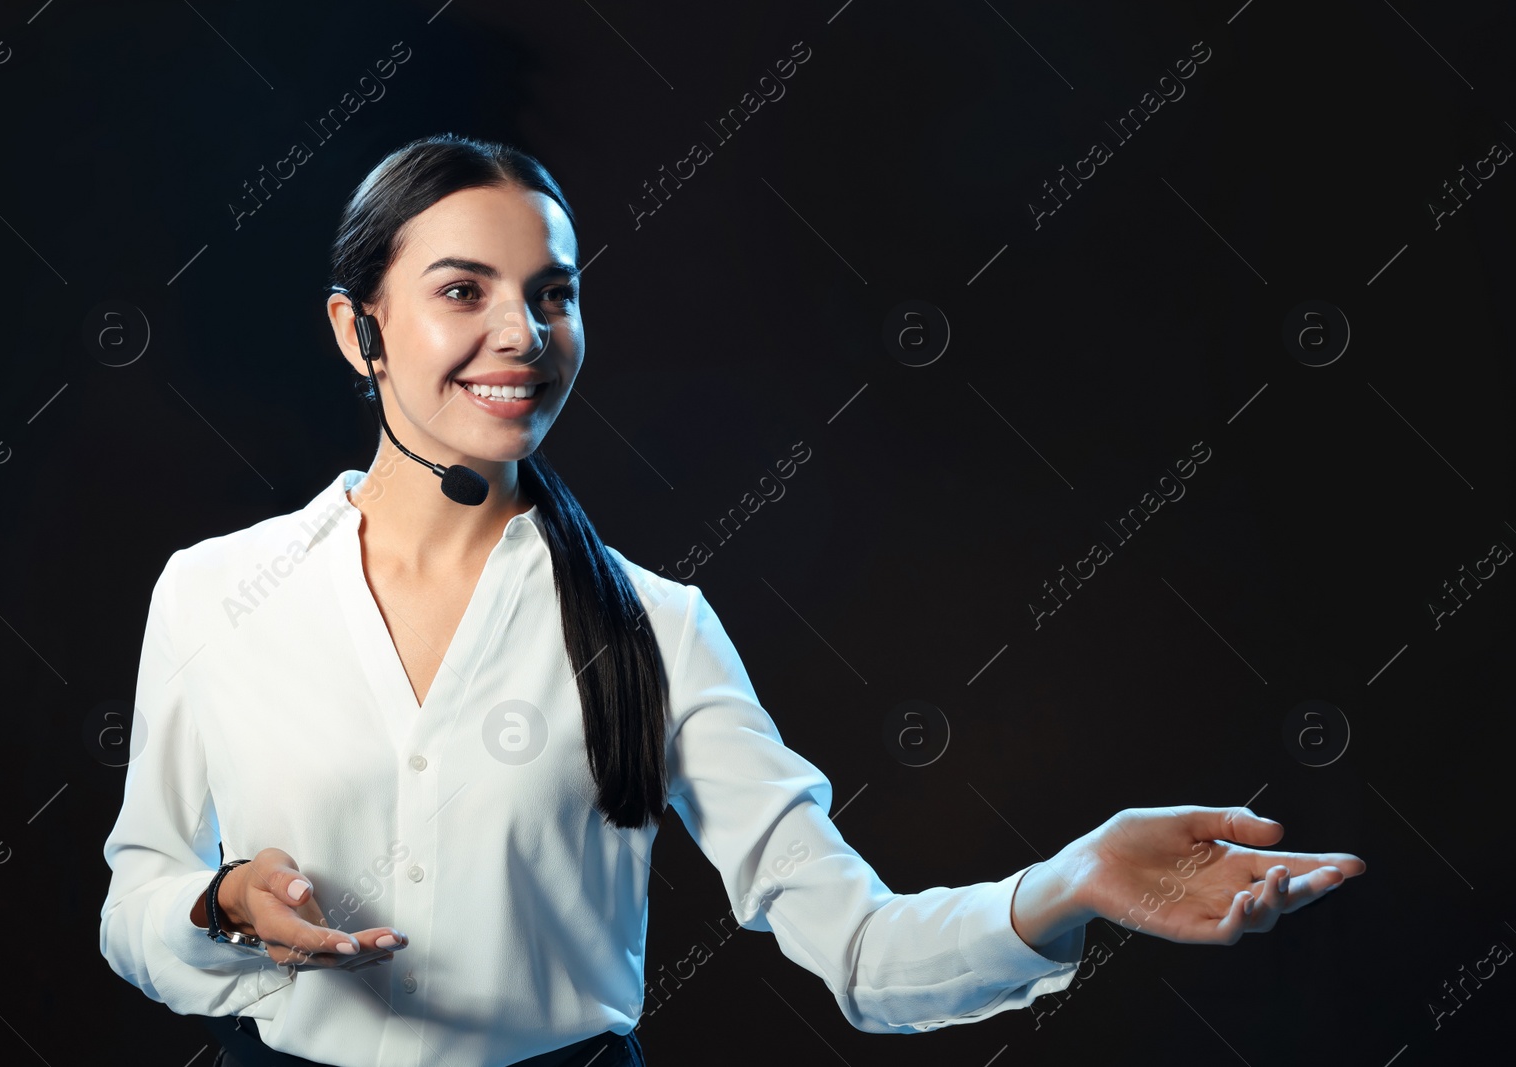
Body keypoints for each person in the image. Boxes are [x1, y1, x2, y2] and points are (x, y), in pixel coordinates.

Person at [97, 133, 1366, 1067]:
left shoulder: (655, 627)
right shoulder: (218, 593)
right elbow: (135, 906)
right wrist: (218, 908)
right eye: (462, 289)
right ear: (354, 329)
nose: (526, 333)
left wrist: (1069, 880)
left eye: (555, 292)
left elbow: (861, 954)